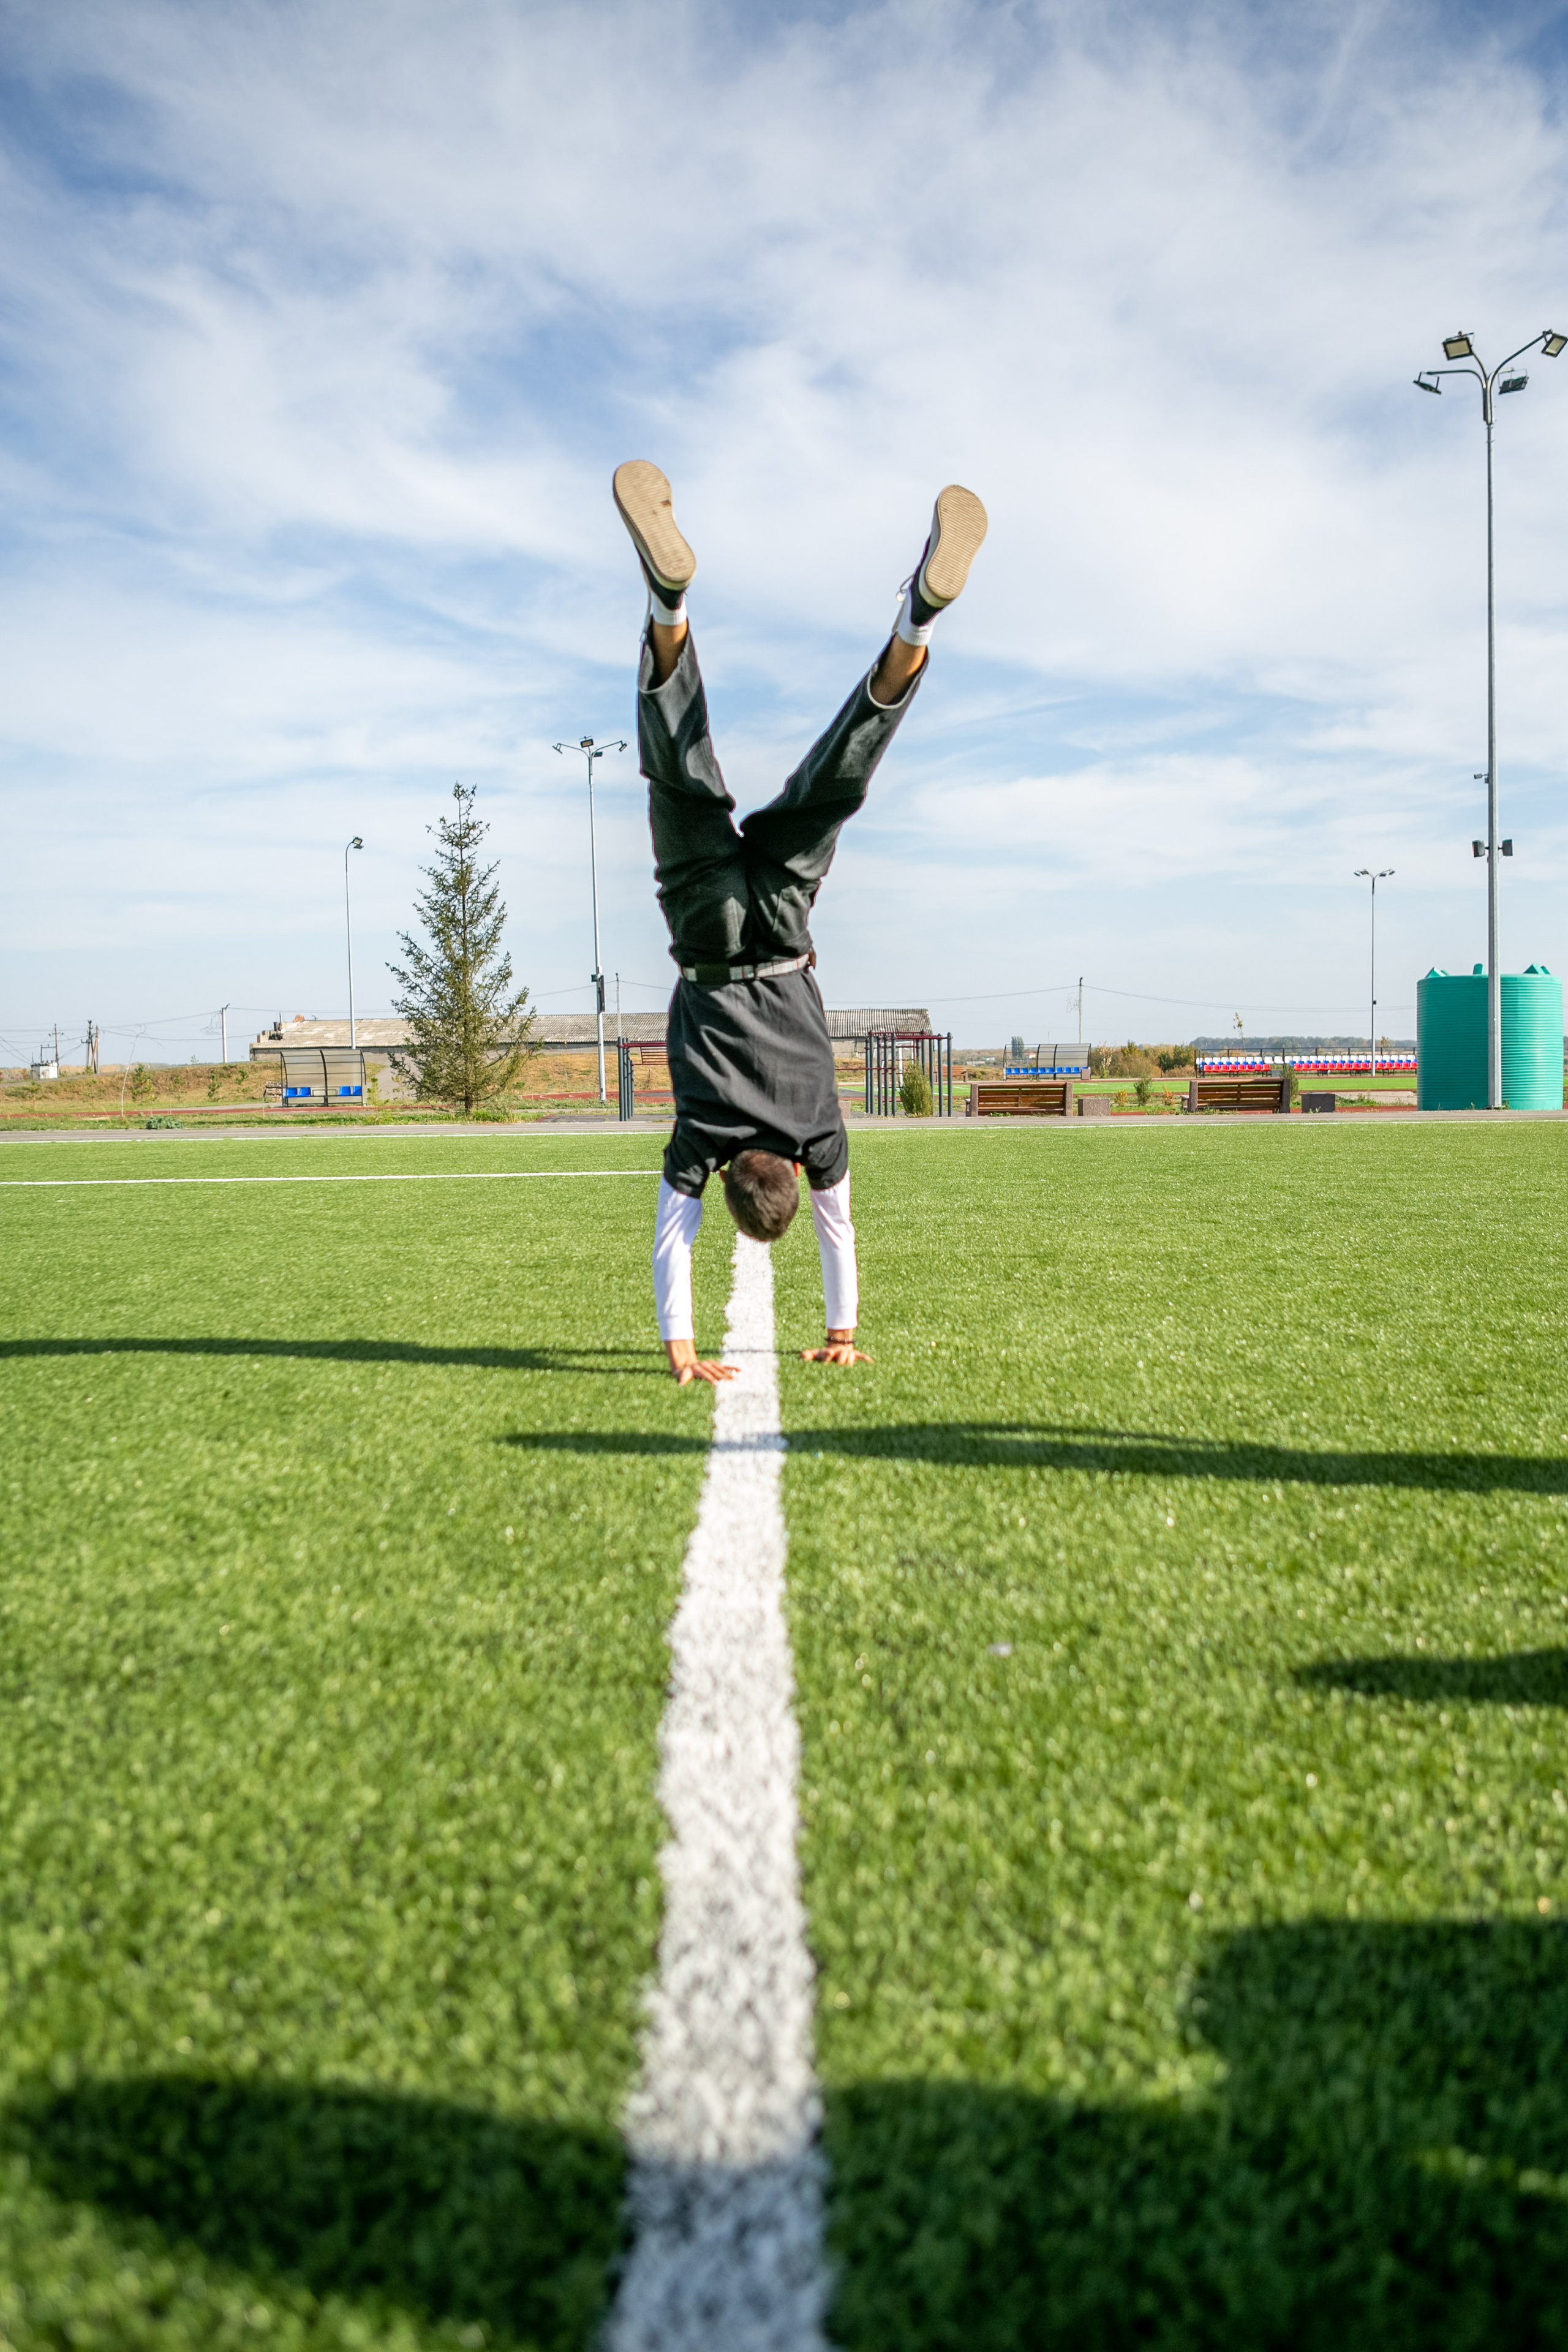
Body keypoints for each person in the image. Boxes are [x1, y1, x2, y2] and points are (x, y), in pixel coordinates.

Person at [613, 461, 987, 1385]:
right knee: (677, 773)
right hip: (705, 929)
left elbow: (839, 1226)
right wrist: (682, 1351)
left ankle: (916, 624)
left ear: (783, 1170)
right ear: (739, 1174)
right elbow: (673, 1235)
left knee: (837, 778)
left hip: (781, 922)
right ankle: (669, 609)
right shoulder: (702, 1136)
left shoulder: (821, 1131)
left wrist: (845, 1331)